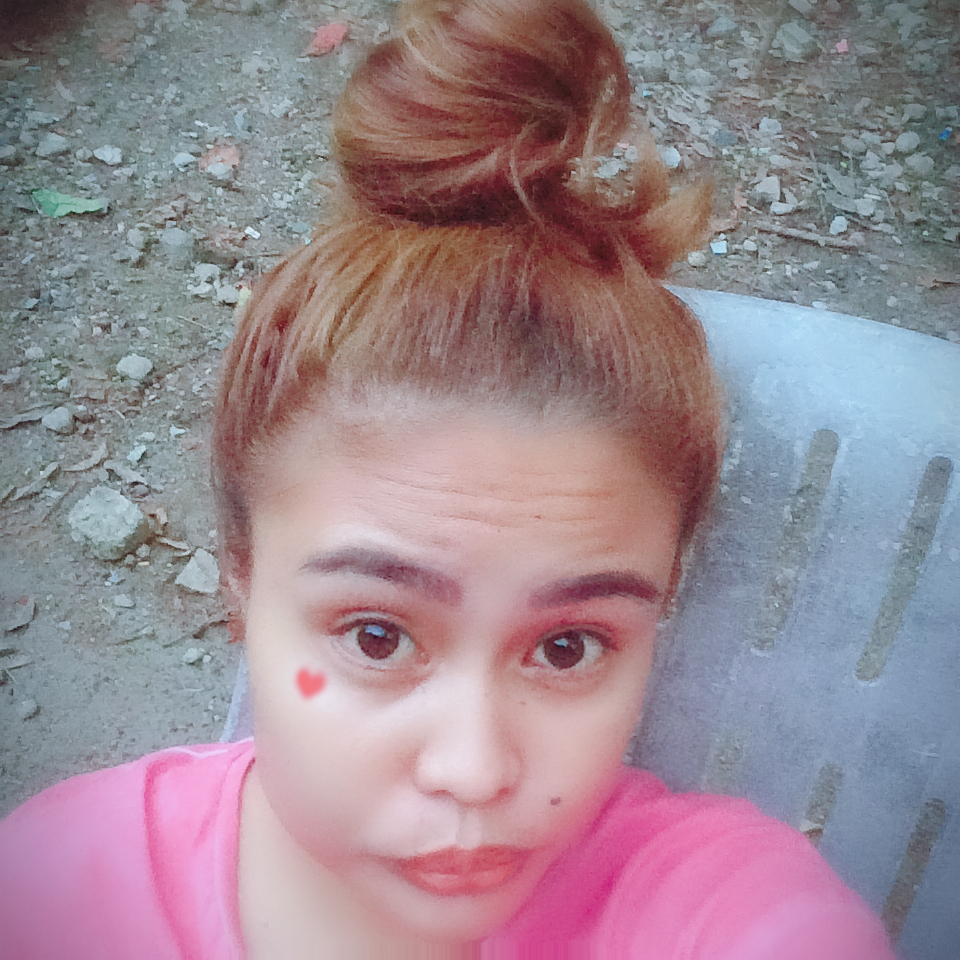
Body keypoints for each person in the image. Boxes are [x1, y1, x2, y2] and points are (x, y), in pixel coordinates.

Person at [0, 0, 895, 956]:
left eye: (569, 648)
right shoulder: (56, 893)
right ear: (239, 585)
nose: (472, 772)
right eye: (377, 636)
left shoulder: (709, 906)